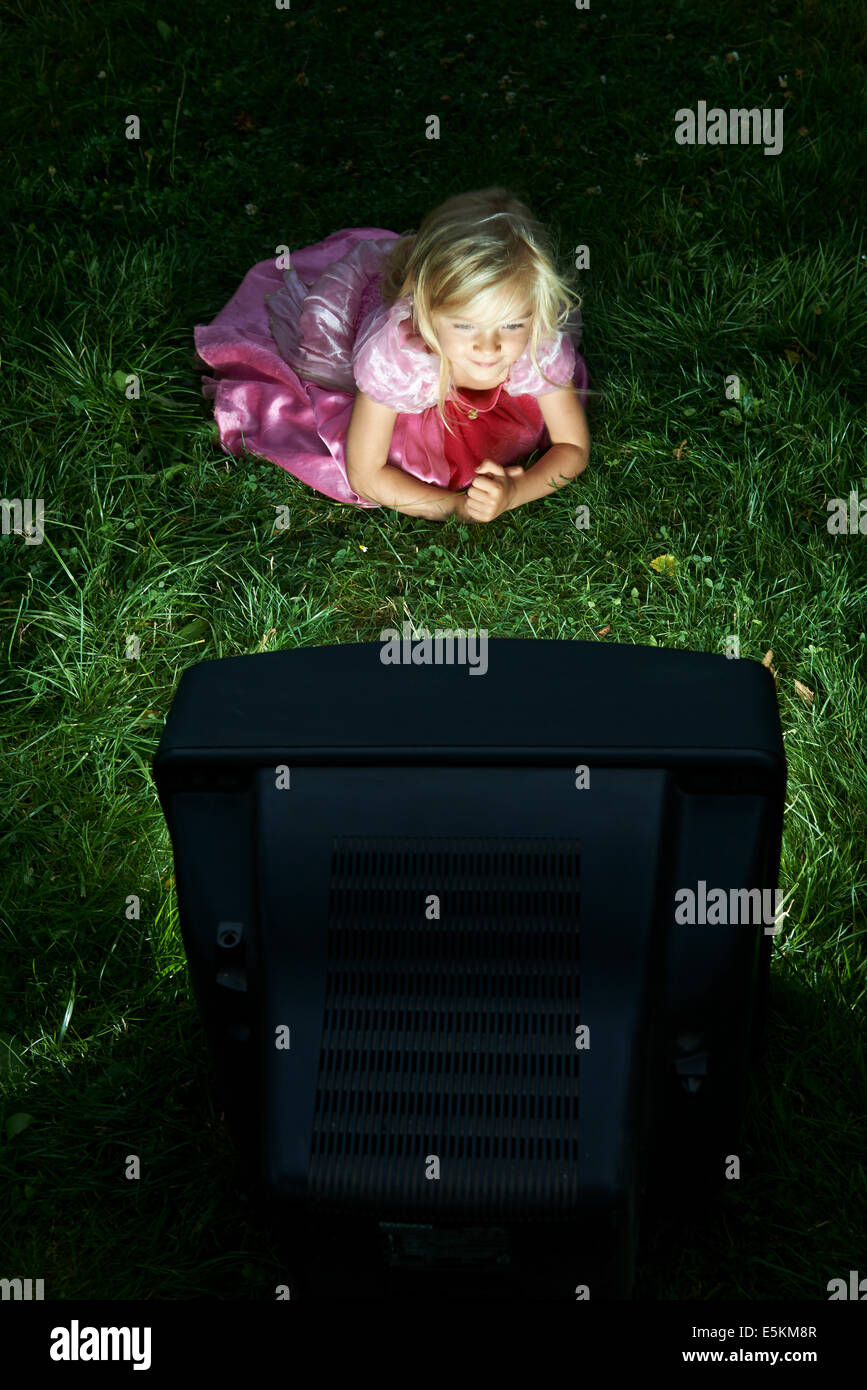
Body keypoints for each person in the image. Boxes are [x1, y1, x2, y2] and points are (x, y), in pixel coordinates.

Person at [194, 186, 590, 523]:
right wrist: (452, 507)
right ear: (425, 314)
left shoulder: (538, 345)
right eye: (466, 325)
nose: (489, 348)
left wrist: (516, 491)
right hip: (414, 398)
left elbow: (572, 447)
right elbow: (366, 472)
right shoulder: (400, 356)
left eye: (512, 324)